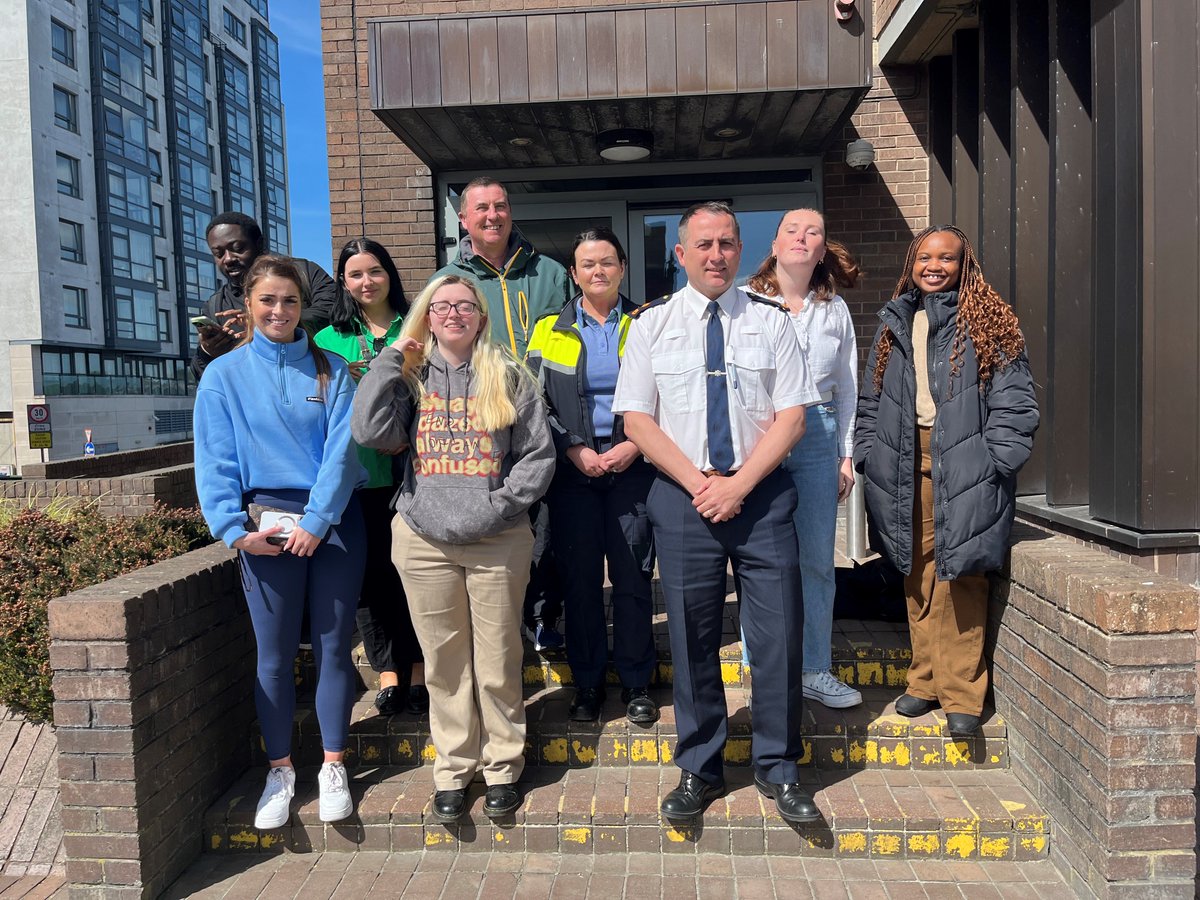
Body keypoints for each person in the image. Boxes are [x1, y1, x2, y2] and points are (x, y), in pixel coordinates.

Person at [613, 201, 823, 825]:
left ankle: (779, 768)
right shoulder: (651, 324)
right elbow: (636, 420)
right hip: (683, 499)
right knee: (692, 635)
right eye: (703, 245)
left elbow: (793, 418)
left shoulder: (771, 321)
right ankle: (699, 768)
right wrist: (701, 483)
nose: (716, 255)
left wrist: (738, 486)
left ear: (739, 249)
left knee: (778, 636)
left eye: (727, 243)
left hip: (760, 498)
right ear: (680, 255)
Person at [351, 274, 555, 823]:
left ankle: (503, 767)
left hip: (498, 539)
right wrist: (393, 356)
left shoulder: (508, 374)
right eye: (440, 306)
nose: (453, 314)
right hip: (423, 540)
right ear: (427, 315)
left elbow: (538, 455)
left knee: (497, 660)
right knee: (443, 663)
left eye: (465, 305)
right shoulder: (410, 378)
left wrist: (500, 506)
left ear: (481, 317)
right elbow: (370, 431)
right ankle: (453, 767)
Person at [194, 254, 366, 830]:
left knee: (334, 647)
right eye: (267, 300)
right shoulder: (223, 375)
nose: (279, 310)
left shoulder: (333, 369)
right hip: (265, 525)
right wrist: (233, 531)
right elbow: (214, 459)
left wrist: (318, 520)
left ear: (303, 307)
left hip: (334, 522)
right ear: (248, 304)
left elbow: (344, 451)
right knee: (272, 656)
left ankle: (334, 766)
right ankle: (281, 770)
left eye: (290, 301)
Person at [853, 225, 1038, 737]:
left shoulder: (989, 323)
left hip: (967, 461)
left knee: (963, 574)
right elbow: (872, 400)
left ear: (965, 265)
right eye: (925, 257)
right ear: (912, 263)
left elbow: (1015, 403)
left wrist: (997, 459)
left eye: (947, 258)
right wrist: (869, 452)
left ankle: (962, 694)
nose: (934, 266)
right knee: (918, 574)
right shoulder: (895, 322)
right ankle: (924, 682)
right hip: (904, 460)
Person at [433, 177, 572, 651]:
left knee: (547, 528)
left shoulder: (551, 274)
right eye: (482, 208)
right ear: (464, 219)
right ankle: (500, 622)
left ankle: (543, 617)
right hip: (479, 431)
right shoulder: (447, 283)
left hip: (544, 423)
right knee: (495, 524)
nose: (492, 215)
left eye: (501, 206)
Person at [526, 227, 657, 726]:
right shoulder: (547, 328)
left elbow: (666, 393)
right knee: (580, 583)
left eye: (606, 262)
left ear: (622, 267)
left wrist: (632, 445)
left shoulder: (647, 323)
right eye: (587, 264)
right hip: (573, 472)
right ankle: (587, 684)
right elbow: (534, 401)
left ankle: (637, 681)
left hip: (633, 467)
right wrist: (572, 447)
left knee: (632, 578)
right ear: (574, 273)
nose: (597, 271)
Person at [742, 211, 864, 709]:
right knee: (760, 558)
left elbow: (850, 386)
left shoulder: (834, 310)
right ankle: (761, 661)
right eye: (792, 229)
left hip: (818, 433)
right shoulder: (748, 303)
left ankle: (815, 668)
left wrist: (846, 454)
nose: (802, 237)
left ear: (821, 250)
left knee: (816, 559)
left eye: (813, 231)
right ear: (774, 244)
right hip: (761, 434)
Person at [314, 238, 428, 718]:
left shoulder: (418, 326)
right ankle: (387, 673)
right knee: (370, 579)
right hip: (356, 478)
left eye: (375, 271)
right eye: (356, 274)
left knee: (413, 574)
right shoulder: (325, 341)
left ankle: (420, 671)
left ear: (391, 275)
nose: (367, 282)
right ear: (343, 281)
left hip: (413, 473)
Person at [191, 211, 340, 380]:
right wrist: (208, 352)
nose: (228, 259)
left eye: (237, 249)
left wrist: (268, 323)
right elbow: (202, 375)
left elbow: (336, 310)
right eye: (219, 253)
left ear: (259, 244)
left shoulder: (304, 273)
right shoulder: (215, 306)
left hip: (315, 381)